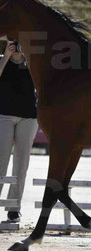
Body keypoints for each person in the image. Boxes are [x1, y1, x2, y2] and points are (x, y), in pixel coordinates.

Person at [0, 40, 38, 223]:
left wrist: (29, 58)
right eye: (13, 43)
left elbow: (42, 84)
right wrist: (6, 57)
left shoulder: (31, 63)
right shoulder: (2, 59)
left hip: (29, 117)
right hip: (3, 116)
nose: (16, 46)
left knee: (21, 164)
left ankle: (14, 208)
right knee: (1, 161)